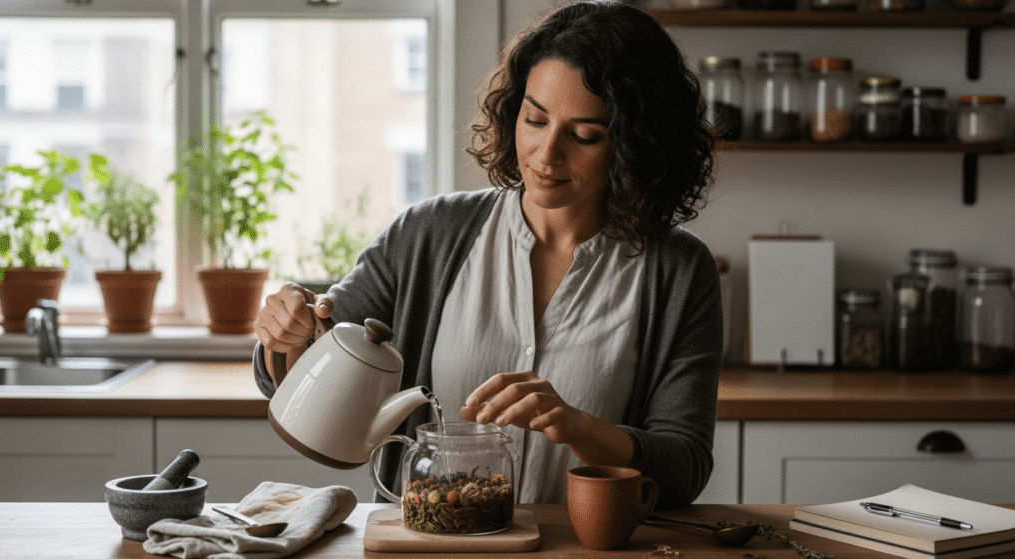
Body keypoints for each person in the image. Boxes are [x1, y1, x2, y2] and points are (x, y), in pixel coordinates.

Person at [253, 0, 721, 509]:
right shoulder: (428, 235)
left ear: (636, 143)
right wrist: (288, 328)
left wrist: (578, 426)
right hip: (427, 543)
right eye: (534, 119)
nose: (546, 155)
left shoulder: (677, 271)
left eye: (585, 135)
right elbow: (304, 360)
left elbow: (684, 466)